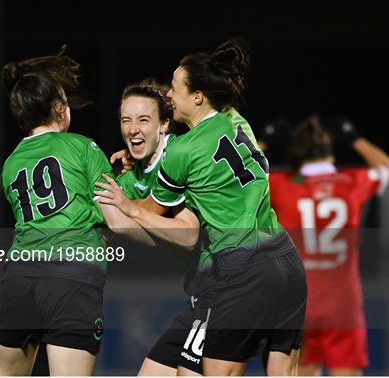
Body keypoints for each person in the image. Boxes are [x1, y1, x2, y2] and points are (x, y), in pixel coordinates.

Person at [95, 37, 307, 376]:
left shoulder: (182, 153)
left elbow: (158, 217)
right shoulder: (234, 119)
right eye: (126, 121)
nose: (169, 95)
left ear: (197, 96)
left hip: (238, 271)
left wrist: (120, 201)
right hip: (285, 259)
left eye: (175, 89)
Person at [0, 48, 154, 376]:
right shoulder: (82, 147)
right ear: (58, 109)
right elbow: (116, 222)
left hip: (20, 278)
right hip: (72, 277)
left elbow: (61, 207)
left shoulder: (10, 164)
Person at [268, 115, 389, 376]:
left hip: (298, 307)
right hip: (343, 306)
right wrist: (355, 139)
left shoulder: (279, 184)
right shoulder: (352, 181)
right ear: (330, 154)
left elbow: (236, 177)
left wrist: (265, 143)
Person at [112, 78, 205, 376]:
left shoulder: (179, 157)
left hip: (228, 286)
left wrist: (127, 210)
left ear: (164, 124)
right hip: (197, 296)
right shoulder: (129, 177)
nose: (133, 129)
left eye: (143, 120)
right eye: (126, 120)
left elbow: (188, 234)